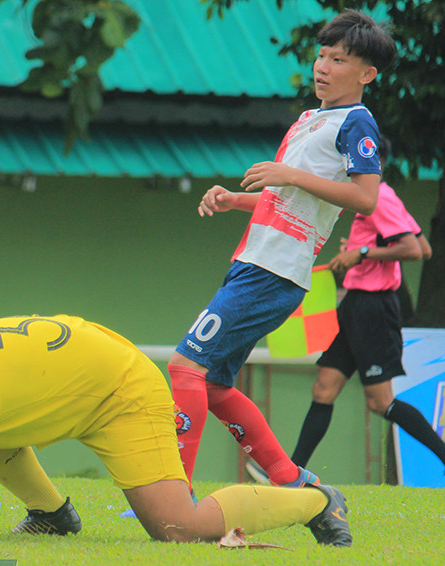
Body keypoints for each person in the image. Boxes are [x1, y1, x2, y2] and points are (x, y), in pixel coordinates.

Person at [0, 314, 352, 546]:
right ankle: (52, 515)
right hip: (95, 365)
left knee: (178, 528)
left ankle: (315, 500)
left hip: (122, 393)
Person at [169, 10, 397, 492]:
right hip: (253, 263)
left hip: (273, 271)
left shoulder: (357, 124)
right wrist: (237, 201)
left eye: (338, 59)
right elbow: (289, 201)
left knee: (185, 366)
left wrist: (289, 175)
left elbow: (366, 198)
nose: (323, 66)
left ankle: (173, 492)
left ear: (366, 74)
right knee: (212, 383)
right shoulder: (311, 119)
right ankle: (287, 475)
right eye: (321, 55)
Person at [285, 141, 445, 488]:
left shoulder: (380, 198)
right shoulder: (374, 198)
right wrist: (363, 252)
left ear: (371, 164)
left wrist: (361, 252)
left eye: (352, 163)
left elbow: (414, 250)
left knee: (380, 402)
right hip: (356, 306)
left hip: (374, 309)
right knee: (324, 389)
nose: (346, 167)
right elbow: (427, 247)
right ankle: (291, 475)